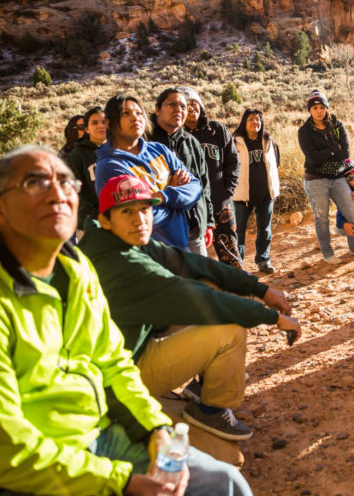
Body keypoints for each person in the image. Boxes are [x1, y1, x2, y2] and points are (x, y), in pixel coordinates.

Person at [0, 145, 252, 495]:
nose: (57, 194)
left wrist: (154, 429)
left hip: (97, 435)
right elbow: (0, 445)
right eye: (35, 183)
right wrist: (118, 482)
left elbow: (112, 362)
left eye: (67, 183)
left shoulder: (74, 268)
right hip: (17, 472)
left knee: (223, 483)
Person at [79, 175, 300, 442]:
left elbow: (195, 264)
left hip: (129, 344)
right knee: (229, 331)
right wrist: (272, 317)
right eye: (127, 211)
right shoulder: (121, 265)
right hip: (117, 378)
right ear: (105, 220)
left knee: (208, 281)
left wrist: (260, 290)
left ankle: (204, 385)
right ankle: (211, 409)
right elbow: (194, 298)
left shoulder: (122, 241)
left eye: (145, 209)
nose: (139, 220)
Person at [96, 93, 203, 250]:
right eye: (126, 113)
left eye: (139, 113)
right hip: (150, 253)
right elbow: (141, 217)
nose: (135, 118)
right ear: (109, 123)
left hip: (182, 247)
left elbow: (195, 187)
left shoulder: (159, 150)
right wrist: (177, 199)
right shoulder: (110, 166)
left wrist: (162, 196)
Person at [179, 86, 243, 269]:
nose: (192, 108)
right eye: (186, 105)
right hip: (192, 205)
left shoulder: (216, 129)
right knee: (197, 250)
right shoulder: (179, 137)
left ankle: (238, 287)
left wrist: (228, 191)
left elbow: (233, 161)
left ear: (201, 105)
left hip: (220, 202)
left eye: (194, 103)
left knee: (229, 247)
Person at [297, 89, 354, 265]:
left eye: (322, 107)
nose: (319, 111)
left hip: (338, 176)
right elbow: (313, 158)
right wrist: (334, 149)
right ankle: (328, 253)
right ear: (310, 109)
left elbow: (346, 152)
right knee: (322, 217)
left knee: (352, 212)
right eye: (315, 107)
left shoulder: (337, 125)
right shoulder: (304, 131)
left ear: (326, 108)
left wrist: (327, 152)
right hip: (315, 179)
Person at [149, 87, 213, 256]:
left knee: (201, 280)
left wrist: (208, 222)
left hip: (193, 229)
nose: (179, 109)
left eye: (183, 106)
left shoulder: (191, 142)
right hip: (159, 233)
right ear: (157, 109)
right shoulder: (145, 142)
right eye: (172, 104)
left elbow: (204, 183)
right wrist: (170, 188)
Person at [233, 108, 281, 274]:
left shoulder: (269, 141)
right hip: (241, 195)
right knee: (238, 231)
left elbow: (277, 163)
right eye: (251, 119)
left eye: (258, 119)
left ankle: (263, 260)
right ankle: (237, 264)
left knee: (265, 229)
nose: (255, 122)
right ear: (244, 122)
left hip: (265, 194)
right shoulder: (235, 142)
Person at [66, 105, 107, 233]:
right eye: (94, 123)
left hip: (121, 221)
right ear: (87, 129)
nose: (101, 126)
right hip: (90, 226)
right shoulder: (77, 155)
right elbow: (73, 191)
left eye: (104, 122)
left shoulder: (119, 150)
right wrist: (98, 215)